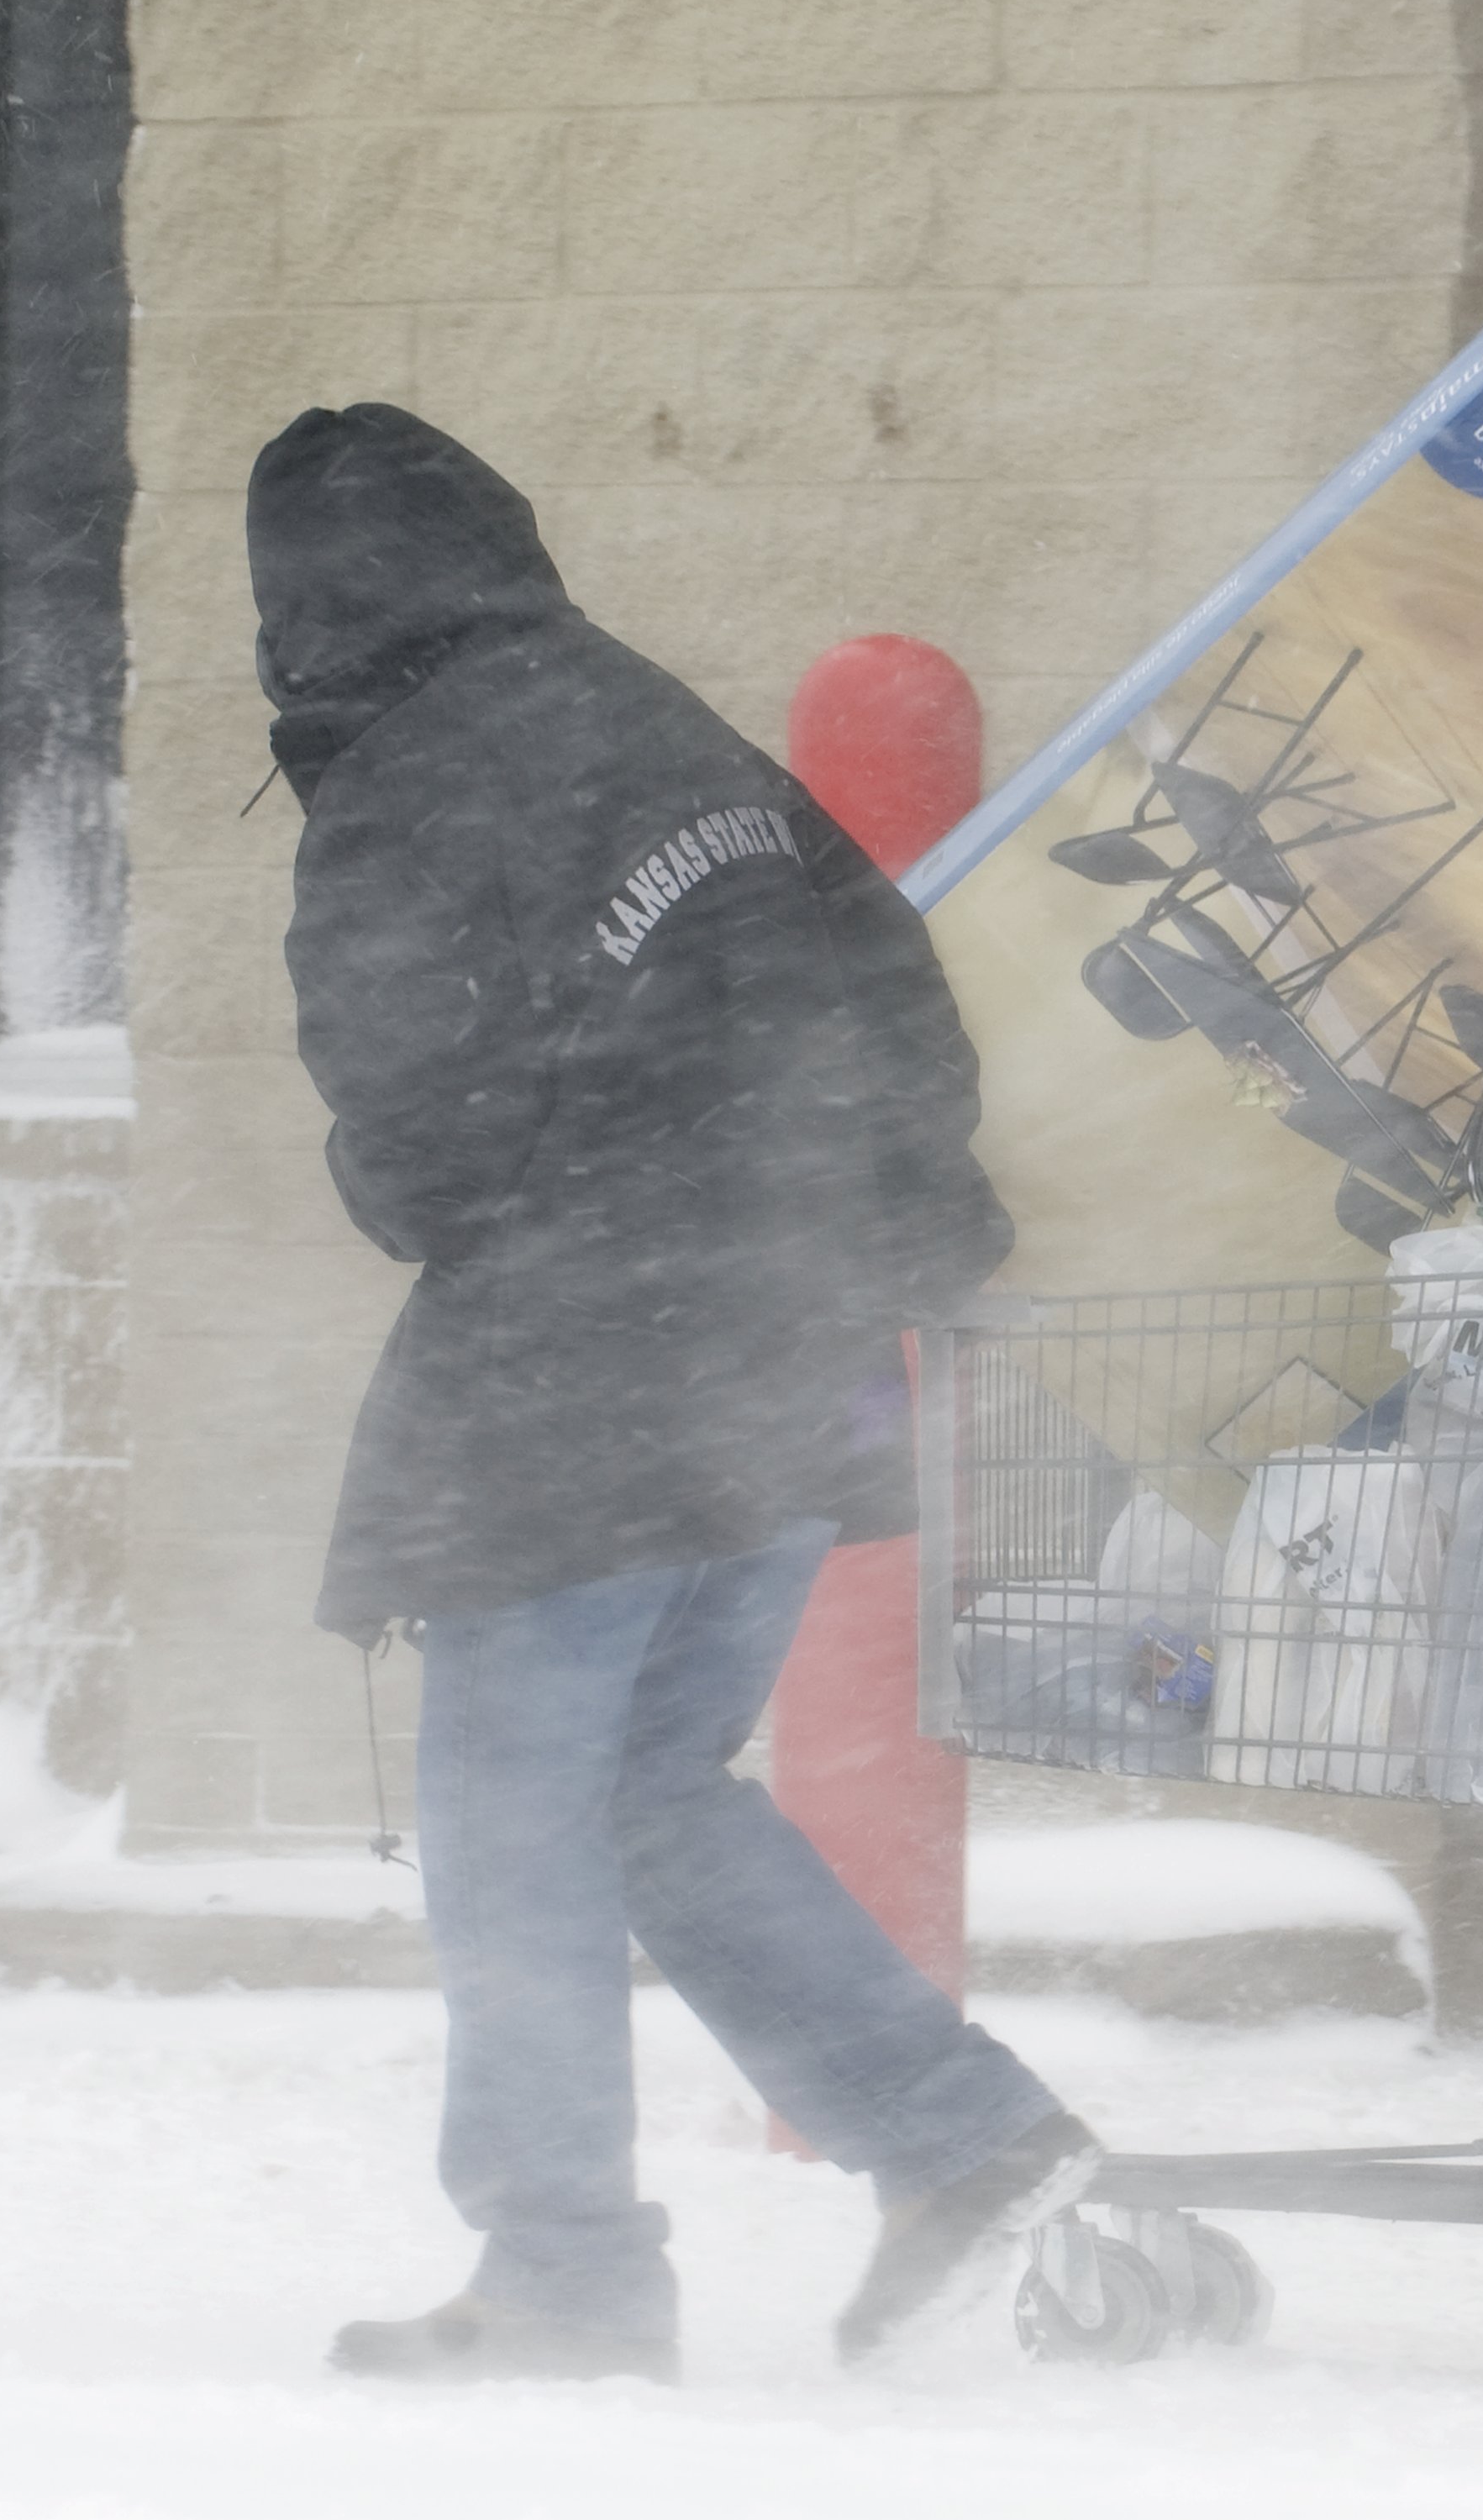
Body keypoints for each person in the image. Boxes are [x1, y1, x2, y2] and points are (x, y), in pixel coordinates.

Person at [255, 403, 1096, 2384]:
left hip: (582, 1381)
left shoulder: (413, 779)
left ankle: (563, 2269)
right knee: (645, 1792)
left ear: (302, 609)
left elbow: (421, 1150)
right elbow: (898, 1003)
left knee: (512, 1824)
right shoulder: (668, 729)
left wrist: (528, 1203)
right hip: (791, 1365)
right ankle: (960, 2140)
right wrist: (854, 1234)